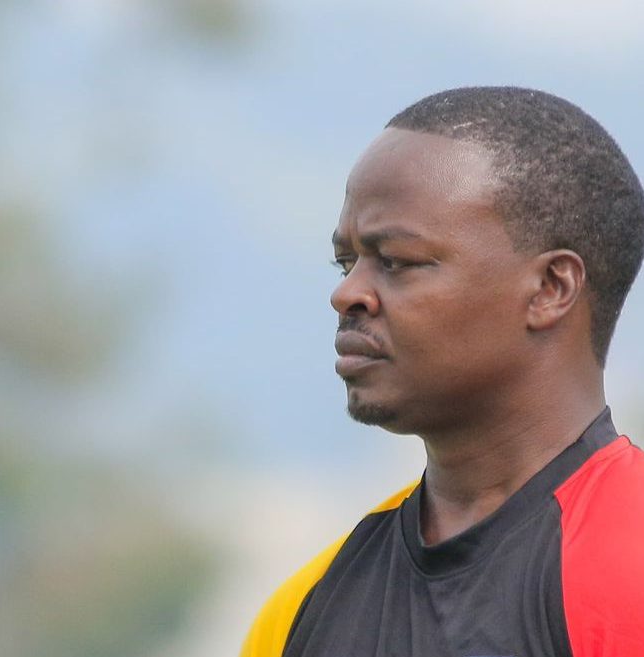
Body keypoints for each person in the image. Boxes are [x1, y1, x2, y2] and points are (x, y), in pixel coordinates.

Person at [240, 87, 644, 657]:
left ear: (550, 288)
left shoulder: (628, 576)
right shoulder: (303, 609)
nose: (347, 293)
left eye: (396, 261)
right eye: (346, 262)